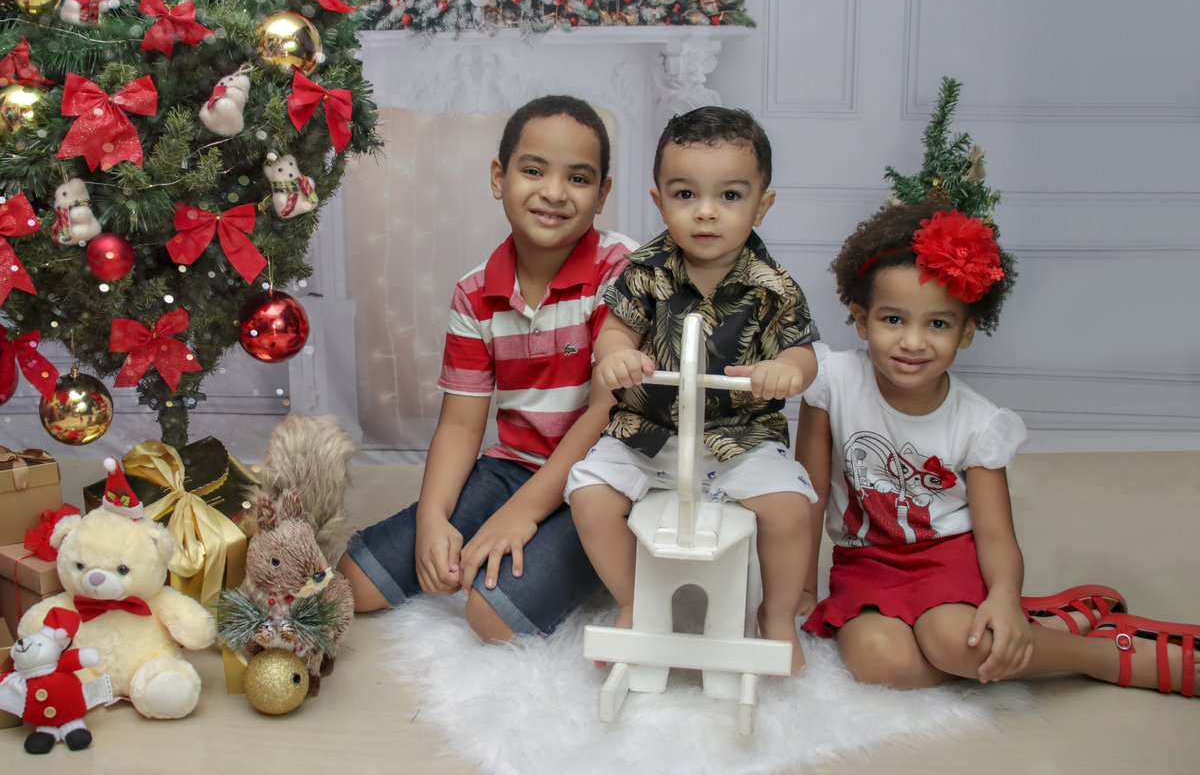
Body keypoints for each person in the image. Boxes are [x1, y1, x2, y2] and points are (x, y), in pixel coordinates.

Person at [794, 201, 1198, 696]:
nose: (913, 342)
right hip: (866, 564)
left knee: (955, 643)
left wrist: (1004, 596)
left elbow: (995, 534)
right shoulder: (832, 385)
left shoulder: (978, 423)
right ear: (861, 319)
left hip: (947, 558)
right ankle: (1037, 629)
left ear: (966, 331)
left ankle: (1106, 657)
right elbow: (809, 496)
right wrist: (802, 586)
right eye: (893, 319)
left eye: (938, 324)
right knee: (880, 665)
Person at [338, 95, 639, 642]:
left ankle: (593, 557)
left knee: (491, 617)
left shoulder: (621, 270)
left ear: (602, 194)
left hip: (600, 479)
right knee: (355, 583)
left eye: (578, 178)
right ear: (500, 178)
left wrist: (522, 514)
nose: (554, 192)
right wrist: (433, 518)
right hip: (513, 467)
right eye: (534, 170)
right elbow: (460, 424)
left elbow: (605, 413)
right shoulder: (475, 292)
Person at [567, 107, 820, 674]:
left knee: (789, 509)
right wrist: (617, 355)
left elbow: (803, 352)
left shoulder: (775, 287)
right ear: (659, 201)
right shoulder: (645, 269)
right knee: (588, 494)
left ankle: (776, 615)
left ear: (762, 205)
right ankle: (635, 601)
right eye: (685, 194)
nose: (706, 212)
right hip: (648, 430)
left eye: (730, 195)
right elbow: (614, 330)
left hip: (741, 435)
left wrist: (788, 370)